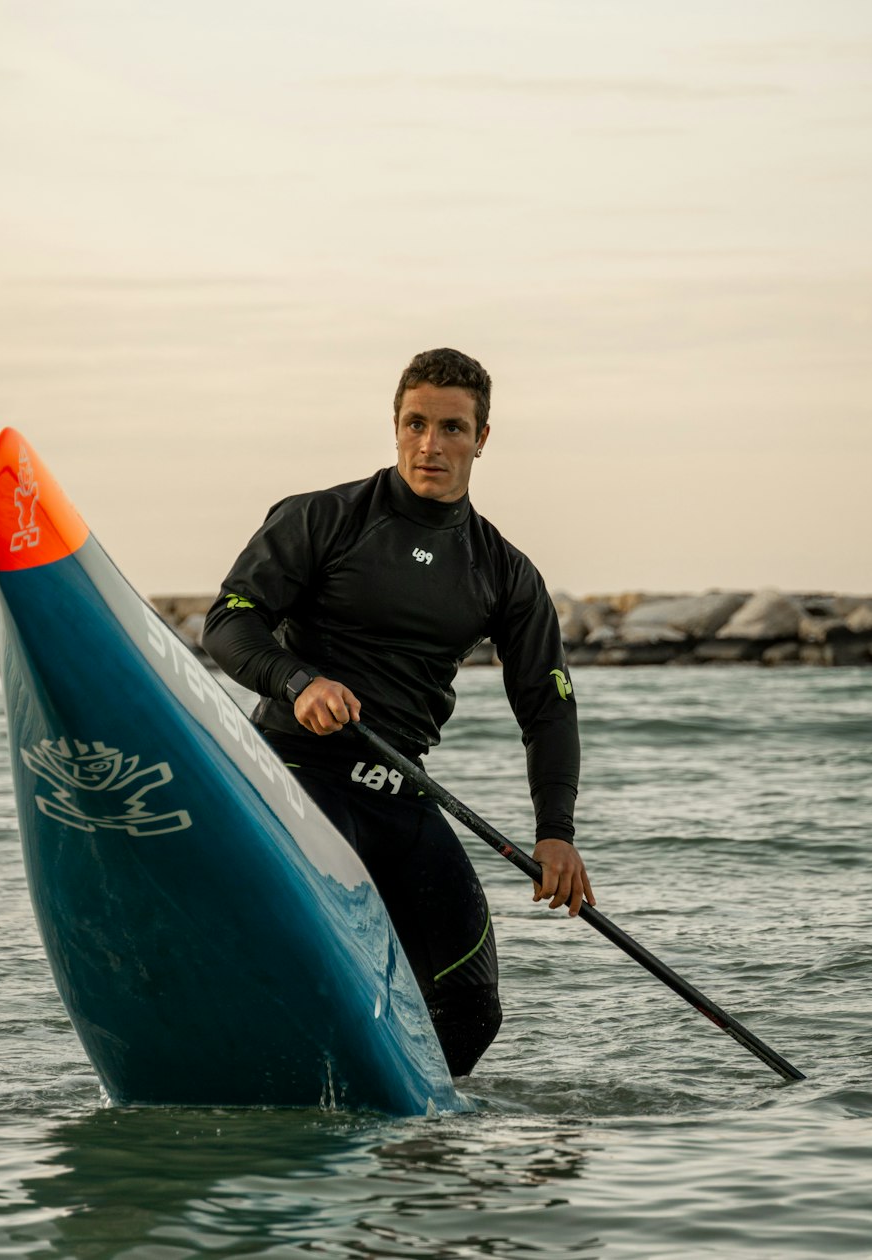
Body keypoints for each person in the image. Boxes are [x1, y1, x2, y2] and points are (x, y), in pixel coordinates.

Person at [202, 347, 592, 1076]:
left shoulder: (502, 571)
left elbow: (547, 709)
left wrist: (557, 835)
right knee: (300, 958)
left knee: (471, 1007)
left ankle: (391, 1144)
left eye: (451, 428)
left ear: (481, 438)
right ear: (394, 425)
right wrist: (297, 680)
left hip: (396, 792)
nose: (430, 445)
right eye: (415, 424)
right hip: (294, 777)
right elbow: (229, 619)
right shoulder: (326, 519)